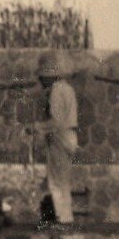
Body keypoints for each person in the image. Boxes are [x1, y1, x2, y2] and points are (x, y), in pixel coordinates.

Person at [37, 51, 78, 224]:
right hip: (70, 136)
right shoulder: (68, 89)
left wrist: (38, 127)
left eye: (42, 79)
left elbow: (56, 122)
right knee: (63, 181)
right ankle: (65, 217)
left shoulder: (56, 91)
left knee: (56, 182)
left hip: (60, 137)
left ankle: (63, 218)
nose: (41, 83)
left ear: (49, 77)